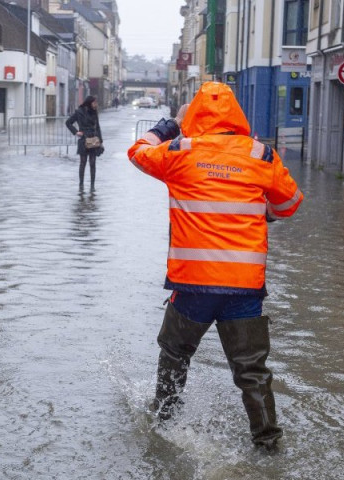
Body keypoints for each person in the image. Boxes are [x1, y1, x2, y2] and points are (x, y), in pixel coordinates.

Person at [127, 82, 304, 450]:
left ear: (193, 115)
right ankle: (268, 443)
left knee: (175, 356)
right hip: (245, 287)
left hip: (193, 285)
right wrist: (262, 212)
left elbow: (137, 151)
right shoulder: (261, 155)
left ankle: (163, 424)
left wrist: (169, 125)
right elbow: (289, 204)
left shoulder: (179, 151)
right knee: (252, 371)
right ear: (236, 114)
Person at [66, 96, 103, 189]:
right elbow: (68, 122)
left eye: (96, 103)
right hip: (83, 140)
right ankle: (81, 184)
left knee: (93, 163)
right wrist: (76, 132)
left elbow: (98, 127)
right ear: (89, 103)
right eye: (94, 103)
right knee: (83, 162)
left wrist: (100, 141)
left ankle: (92, 186)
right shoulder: (79, 112)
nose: (96, 104)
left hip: (94, 140)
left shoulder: (94, 112)